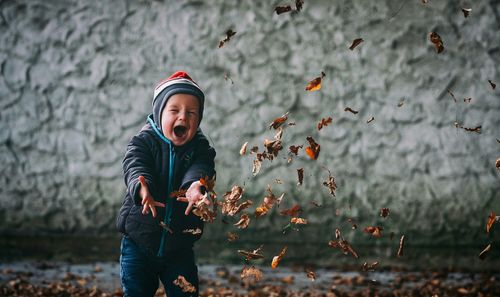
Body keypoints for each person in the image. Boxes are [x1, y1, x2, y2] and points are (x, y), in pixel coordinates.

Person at [116, 71, 216, 297]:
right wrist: (142, 189)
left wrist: (196, 186)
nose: (183, 117)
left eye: (192, 112)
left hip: (179, 247)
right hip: (139, 241)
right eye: (174, 110)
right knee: (136, 292)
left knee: (186, 293)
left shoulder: (200, 148)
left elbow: (201, 168)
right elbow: (135, 166)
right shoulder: (143, 141)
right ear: (159, 113)